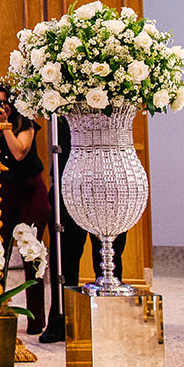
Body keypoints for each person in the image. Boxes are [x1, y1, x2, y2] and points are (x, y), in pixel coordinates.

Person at [0, 82, 51, 336]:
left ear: (12, 105)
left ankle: (36, 320)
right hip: (3, 192)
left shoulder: (25, 122)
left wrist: (3, 126)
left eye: (3, 103)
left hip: (30, 192)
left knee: (31, 256)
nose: (0, 107)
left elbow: (19, 153)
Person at [38, 116, 127, 344]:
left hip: (107, 183)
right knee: (65, 257)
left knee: (109, 257)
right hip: (69, 181)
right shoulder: (64, 103)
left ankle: (107, 320)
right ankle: (61, 320)